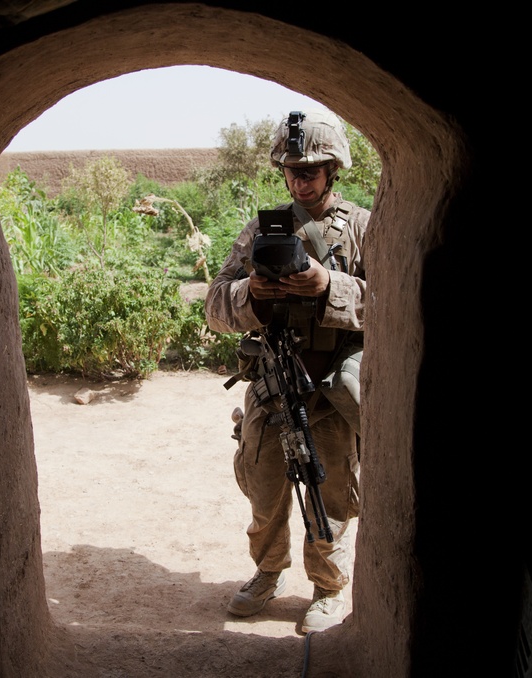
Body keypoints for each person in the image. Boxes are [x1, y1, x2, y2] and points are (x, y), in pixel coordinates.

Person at [204, 109, 369, 634]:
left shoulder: (362, 227)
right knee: (264, 489)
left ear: (333, 170)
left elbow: (395, 304)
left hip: (328, 391)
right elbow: (214, 307)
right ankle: (267, 572)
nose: (301, 180)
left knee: (333, 495)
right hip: (273, 383)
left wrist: (329, 287)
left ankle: (327, 587)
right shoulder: (262, 228)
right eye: (293, 170)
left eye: (312, 170)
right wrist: (249, 294)